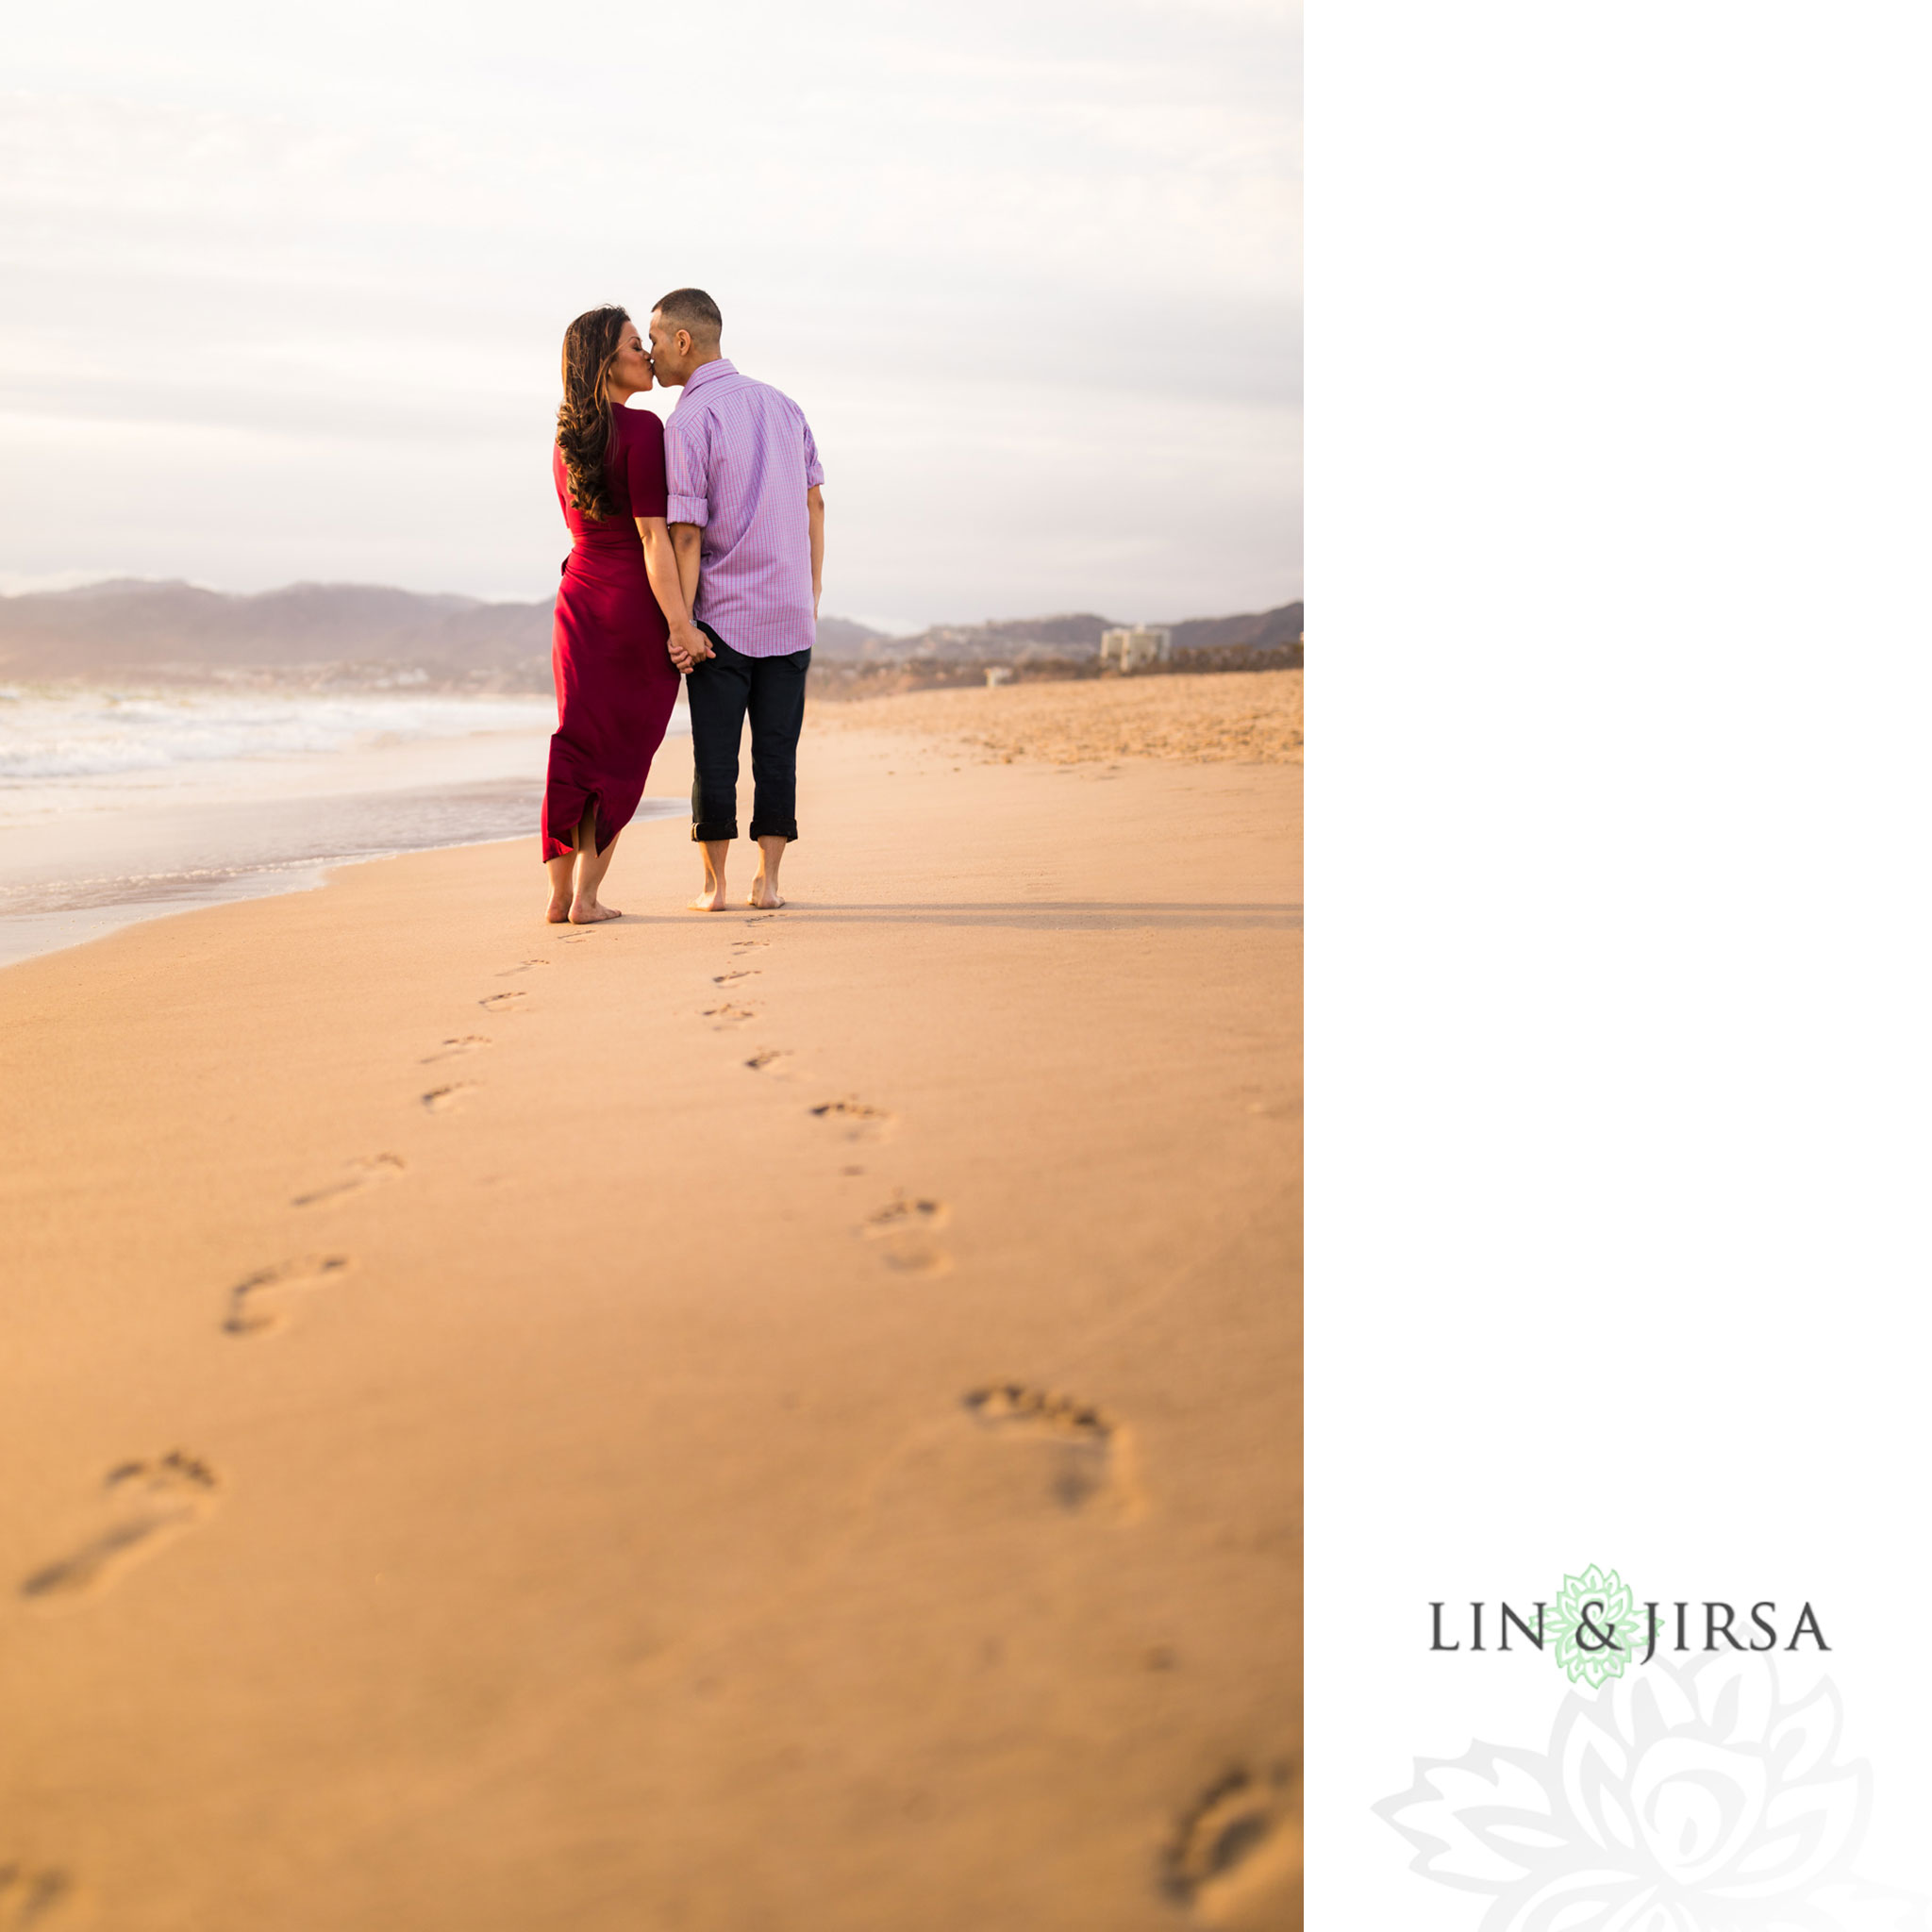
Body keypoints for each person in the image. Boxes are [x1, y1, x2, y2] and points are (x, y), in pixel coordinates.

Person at [648, 288, 825, 911]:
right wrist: (812, 593)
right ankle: (769, 882)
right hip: (790, 616)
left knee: (714, 757)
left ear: (683, 341)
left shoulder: (689, 422)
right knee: (777, 755)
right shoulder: (785, 405)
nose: (650, 352)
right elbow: (814, 504)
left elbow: (687, 534)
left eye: (654, 340)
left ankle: (714, 886)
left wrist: (683, 624)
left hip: (721, 620)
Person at [544, 306, 707, 923]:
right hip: (630, 604)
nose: (648, 355)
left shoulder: (564, 439)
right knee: (622, 754)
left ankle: (560, 896)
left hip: (579, 604)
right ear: (607, 363)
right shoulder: (642, 432)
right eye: (636, 345)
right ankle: (588, 896)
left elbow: (578, 526)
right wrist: (680, 625)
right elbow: (651, 538)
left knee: (575, 746)